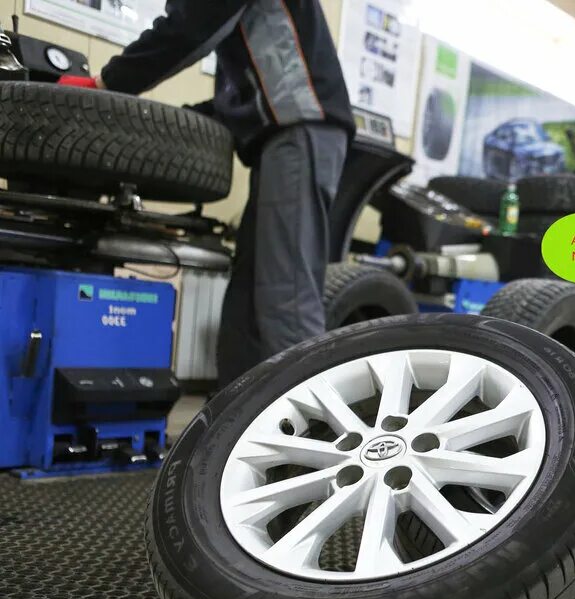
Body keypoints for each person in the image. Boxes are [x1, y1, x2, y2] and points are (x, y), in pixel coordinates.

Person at [60, 1, 355, 388]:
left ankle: (317, 432)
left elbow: (189, 29)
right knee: (247, 304)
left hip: (301, 128)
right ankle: (233, 424)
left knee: (286, 298)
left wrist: (105, 83)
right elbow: (241, 86)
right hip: (288, 136)